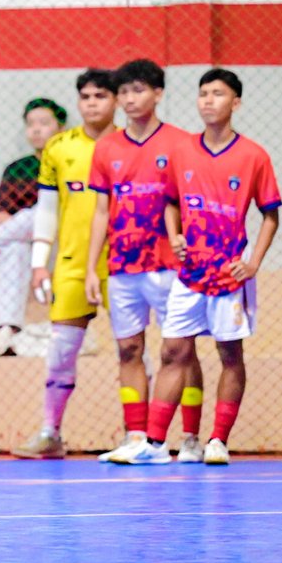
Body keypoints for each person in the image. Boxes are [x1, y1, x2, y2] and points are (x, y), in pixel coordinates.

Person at [149, 69, 281, 466]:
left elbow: (270, 215)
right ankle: (154, 444)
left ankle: (218, 440)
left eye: (218, 94)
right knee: (173, 350)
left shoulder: (254, 155)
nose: (208, 100)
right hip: (190, 274)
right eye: (203, 93)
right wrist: (175, 235)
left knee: (229, 353)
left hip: (230, 275)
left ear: (235, 102)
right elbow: (171, 202)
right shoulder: (182, 151)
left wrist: (253, 263)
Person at [87, 60, 205, 464]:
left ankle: (190, 437)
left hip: (172, 267)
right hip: (123, 267)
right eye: (123, 92)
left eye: (137, 90)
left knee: (180, 352)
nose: (129, 99)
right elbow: (101, 211)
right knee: (128, 350)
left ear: (158, 93)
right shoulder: (106, 148)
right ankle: (136, 437)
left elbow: (193, 204)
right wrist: (91, 267)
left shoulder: (183, 144)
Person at [11, 70, 117, 458]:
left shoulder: (129, 145)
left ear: (116, 100)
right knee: (60, 354)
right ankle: (49, 433)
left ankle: (139, 436)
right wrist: (40, 263)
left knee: (132, 351)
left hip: (121, 265)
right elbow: (47, 210)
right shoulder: (59, 148)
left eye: (100, 96)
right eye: (85, 97)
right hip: (72, 266)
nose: (92, 103)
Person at [0, 98, 65, 356]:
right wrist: (27, 232)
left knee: (44, 210)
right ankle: (7, 331)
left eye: (44, 123)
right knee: (15, 245)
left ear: (60, 127)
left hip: (61, 245)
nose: (36, 129)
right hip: (28, 248)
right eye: (31, 124)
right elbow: (1, 217)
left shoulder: (69, 163)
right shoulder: (17, 169)